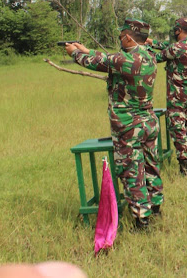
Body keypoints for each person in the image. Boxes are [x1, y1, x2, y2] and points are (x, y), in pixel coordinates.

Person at [65, 18, 162, 230]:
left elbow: (95, 62)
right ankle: (155, 208)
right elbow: (108, 58)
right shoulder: (149, 56)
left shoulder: (124, 60)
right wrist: (87, 49)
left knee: (132, 171)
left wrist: (74, 52)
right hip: (149, 122)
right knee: (150, 166)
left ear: (128, 37)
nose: (120, 40)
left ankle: (141, 221)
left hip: (129, 125)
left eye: (121, 36)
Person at [147, 18, 187, 176]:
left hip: (177, 96)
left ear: (179, 30)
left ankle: (185, 168)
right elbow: (168, 47)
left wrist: (142, 49)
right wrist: (152, 42)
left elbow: (157, 58)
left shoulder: (177, 48)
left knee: (178, 130)